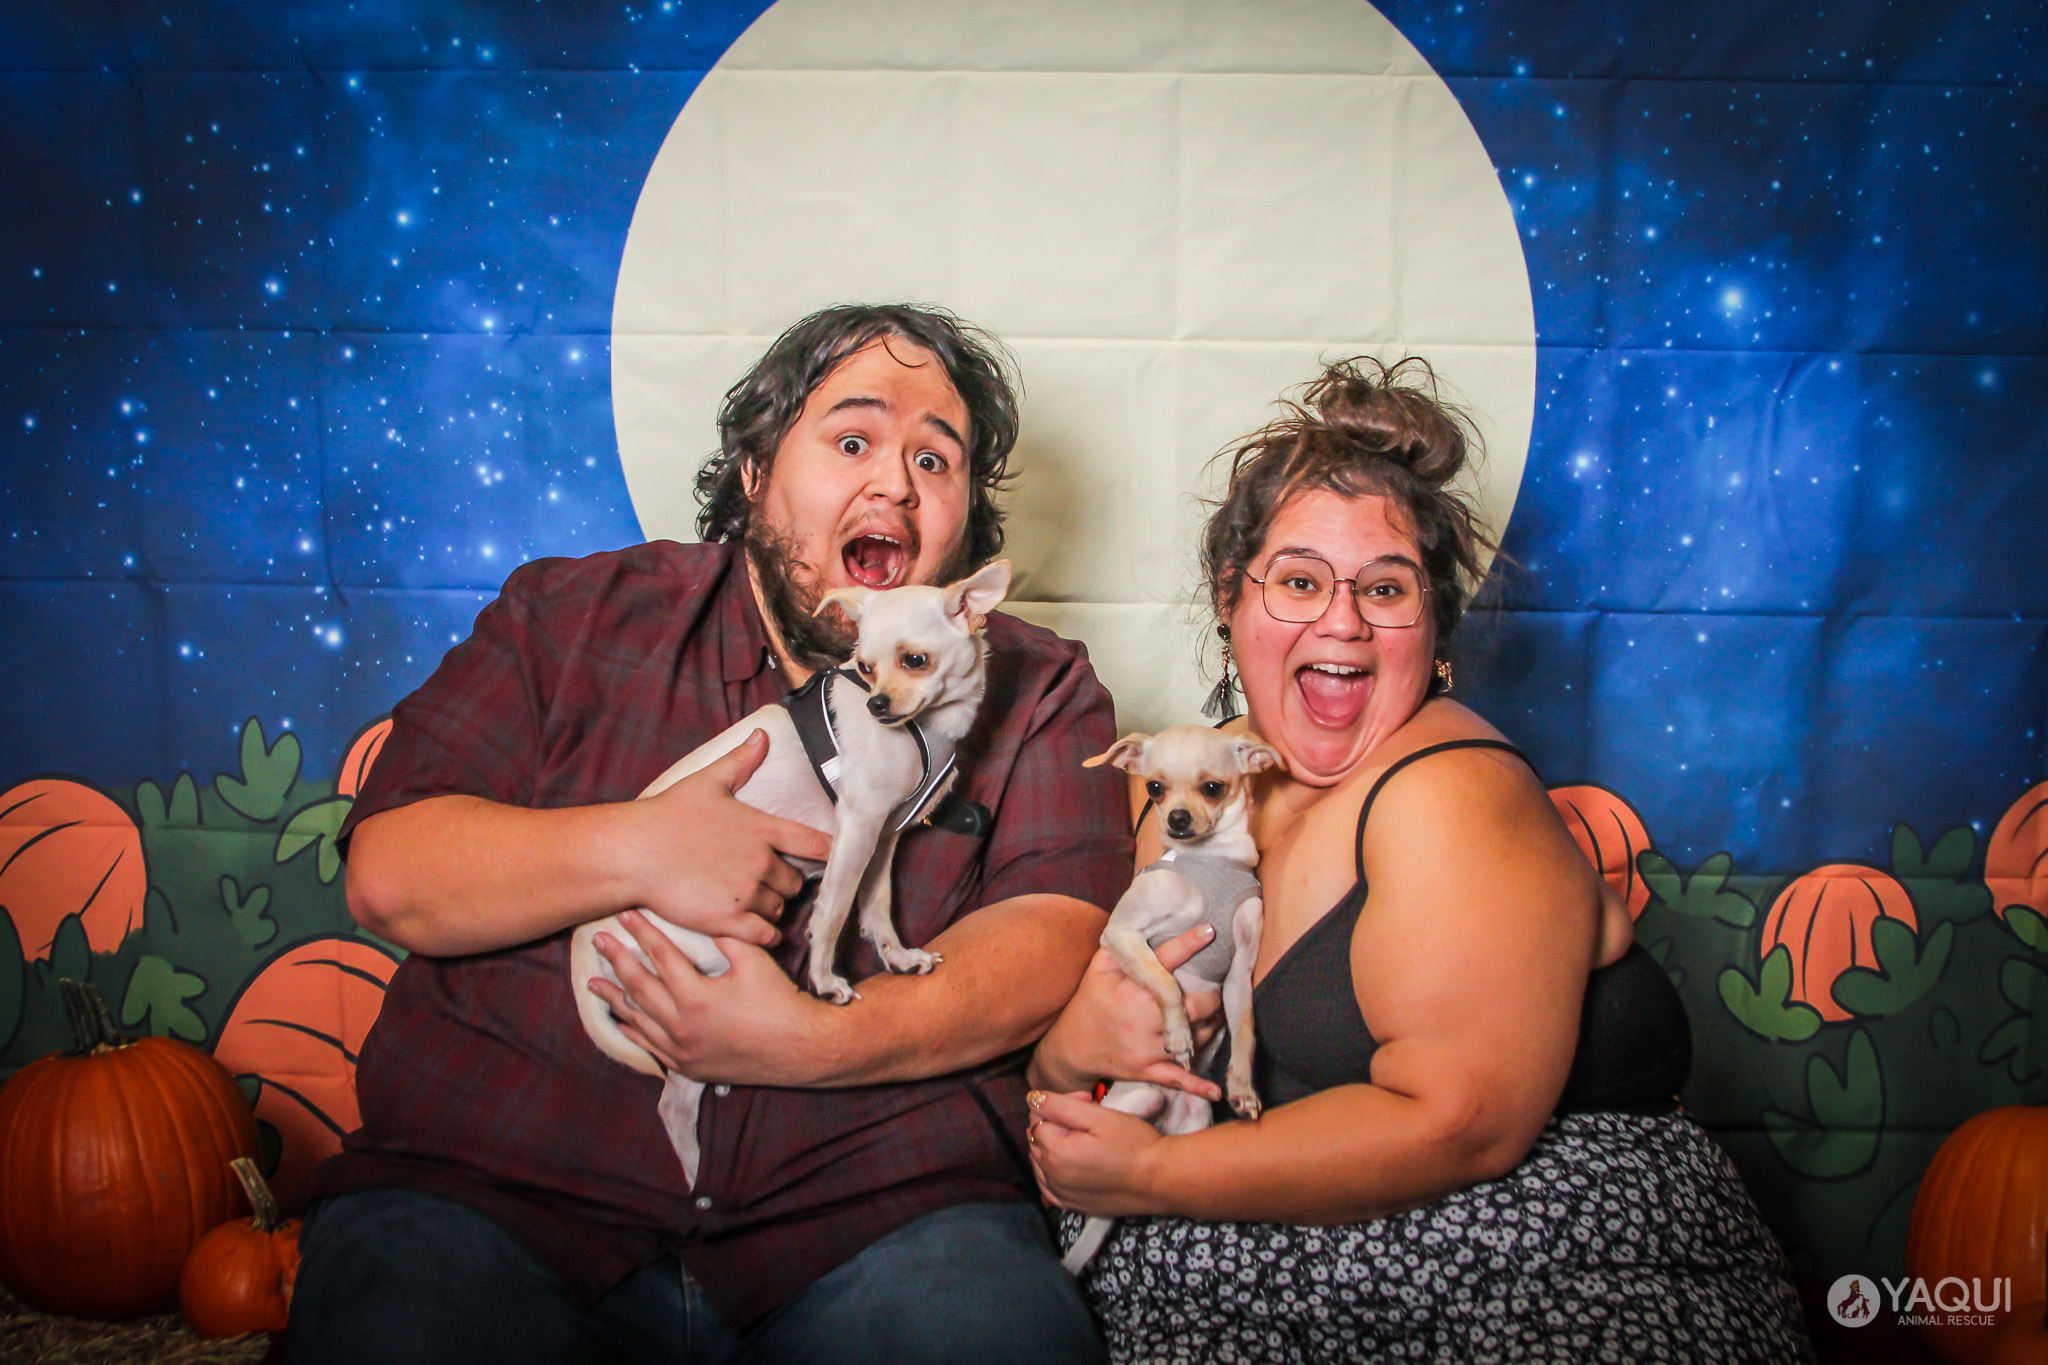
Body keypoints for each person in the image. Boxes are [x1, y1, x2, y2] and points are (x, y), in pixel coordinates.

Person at [286, 304, 1129, 1365]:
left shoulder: (1040, 687)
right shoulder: (567, 618)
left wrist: (812, 1041)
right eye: (853, 440)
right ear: (753, 472)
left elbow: (1051, 933)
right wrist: (640, 848)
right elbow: (392, 873)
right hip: (497, 1197)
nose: (896, 483)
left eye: (934, 459)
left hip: (884, 1214)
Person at [1025, 358, 1812, 1363]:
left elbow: (1462, 1125)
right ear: (1230, 598)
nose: (1341, 621)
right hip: (1255, 1264)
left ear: (1433, 624)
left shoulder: (1450, 794)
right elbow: (1124, 1049)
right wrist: (1067, 1050)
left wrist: (1150, 1177)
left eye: (1385, 589)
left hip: (1544, 1264)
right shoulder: (1198, 781)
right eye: (1298, 581)